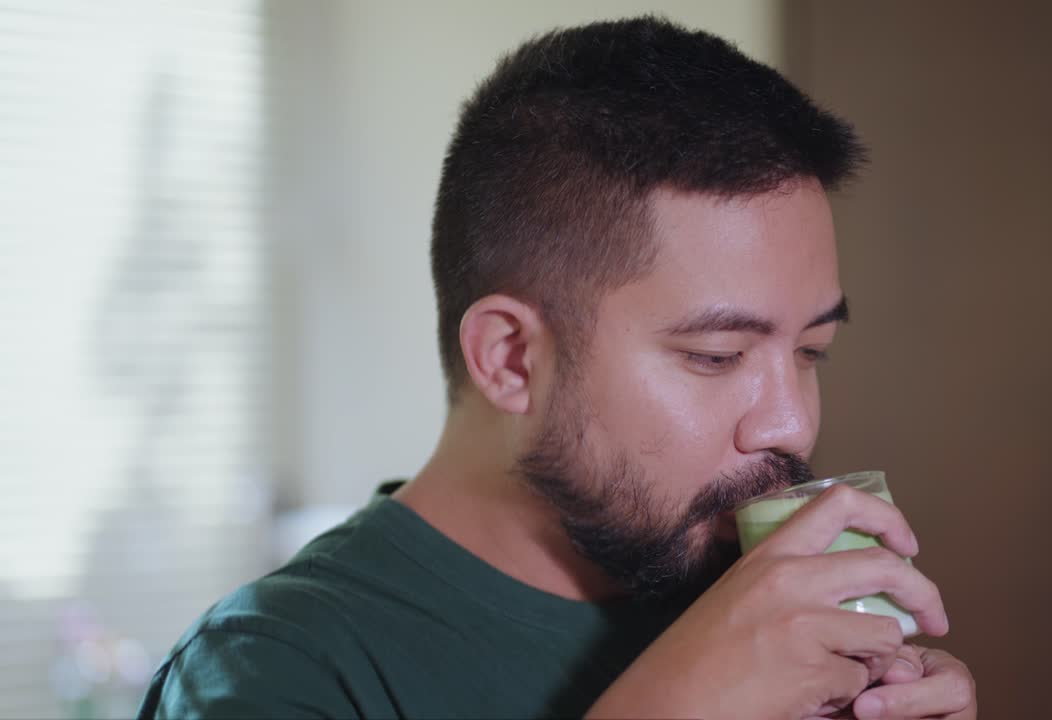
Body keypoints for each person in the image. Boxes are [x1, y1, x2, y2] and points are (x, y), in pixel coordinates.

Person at [138, 16, 976, 720]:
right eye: (715, 357)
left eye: (810, 352)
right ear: (510, 359)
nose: (791, 422)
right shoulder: (276, 671)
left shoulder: (767, 614)